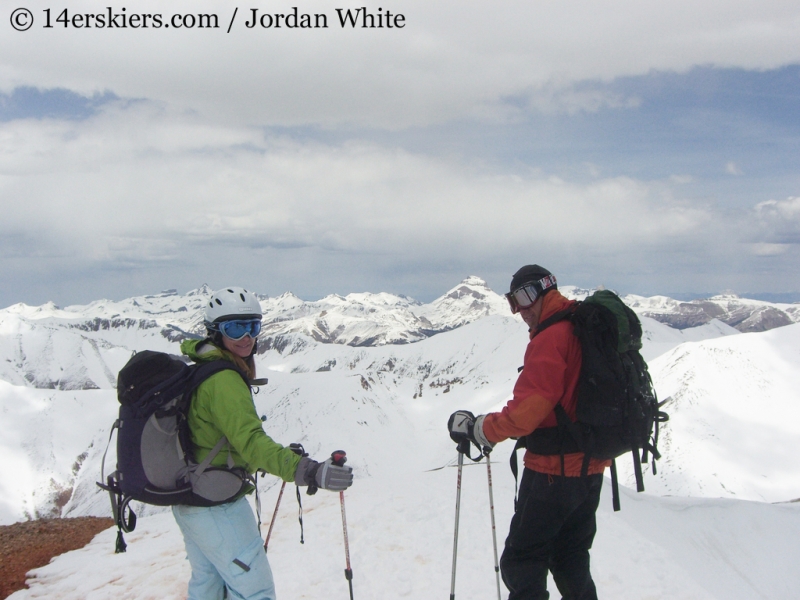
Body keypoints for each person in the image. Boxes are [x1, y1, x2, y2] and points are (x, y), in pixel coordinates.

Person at [174, 286, 353, 600]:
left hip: (192, 501)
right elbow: (252, 444)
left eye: (253, 326)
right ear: (215, 333)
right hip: (217, 507)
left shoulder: (204, 369)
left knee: (208, 587)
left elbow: (227, 438)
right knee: (256, 592)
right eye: (235, 327)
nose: (246, 337)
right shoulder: (224, 380)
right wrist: (308, 471)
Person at [448, 265, 609, 600]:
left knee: (522, 560)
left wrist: (481, 429)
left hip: (553, 472)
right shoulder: (581, 326)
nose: (520, 310)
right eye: (513, 302)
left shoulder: (552, 337)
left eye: (522, 298)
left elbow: (526, 414)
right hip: (591, 469)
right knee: (570, 557)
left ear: (541, 291)